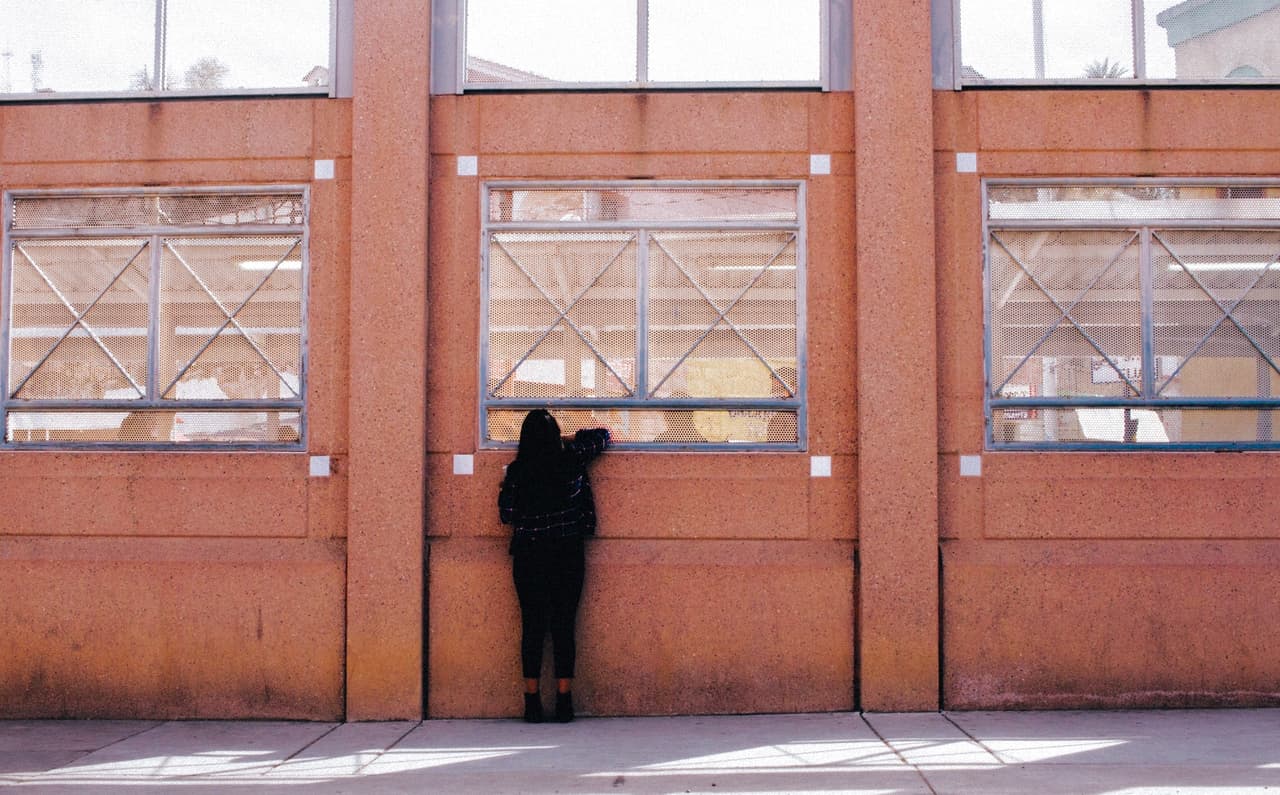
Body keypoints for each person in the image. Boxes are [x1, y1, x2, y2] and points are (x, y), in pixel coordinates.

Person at [498, 409, 610, 723]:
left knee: (532, 628)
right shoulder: (572, 460)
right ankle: (564, 701)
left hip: (529, 557)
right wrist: (566, 438)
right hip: (567, 554)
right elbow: (604, 434)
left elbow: (506, 515)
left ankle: (531, 702)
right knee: (564, 626)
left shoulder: (518, 473)